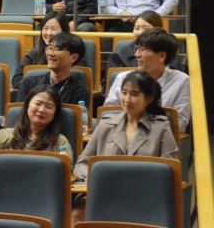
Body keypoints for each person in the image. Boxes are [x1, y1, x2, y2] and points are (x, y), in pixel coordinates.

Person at [72, 70, 178, 224]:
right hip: (104, 193)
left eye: (134, 94)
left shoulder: (161, 127)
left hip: (143, 197)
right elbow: (82, 163)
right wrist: (93, 177)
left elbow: (170, 171)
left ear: (148, 98)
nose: (127, 99)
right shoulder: (106, 124)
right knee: (76, 214)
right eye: (124, 93)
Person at [104, 28, 190, 131]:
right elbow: (108, 114)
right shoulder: (123, 77)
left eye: (142, 50)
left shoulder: (181, 80)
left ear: (161, 56)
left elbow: (179, 124)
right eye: (137, 49)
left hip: (160, 137)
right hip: (121, 133)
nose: (136, 54)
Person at [0, 84, 73, 174]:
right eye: (38, 103)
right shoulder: (3, 135)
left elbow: (67, 171)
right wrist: (10, 167)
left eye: (49, 107)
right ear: (27, 106)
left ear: (54, 115)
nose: (42, 110)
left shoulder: (60, 141)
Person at [16, 32, 90, 107]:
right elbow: (20, 112)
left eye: (58, 49)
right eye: (50, 48)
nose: (51, 54)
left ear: (73, 57)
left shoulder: (80, 92)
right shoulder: (29, 83)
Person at [11, 11, 71, 89]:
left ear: (64, 31)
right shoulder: (34, 53)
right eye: (45, 28)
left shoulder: (72, 54)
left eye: (53, 29)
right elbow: (16, 80)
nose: (48, 33)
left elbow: (77, 78)